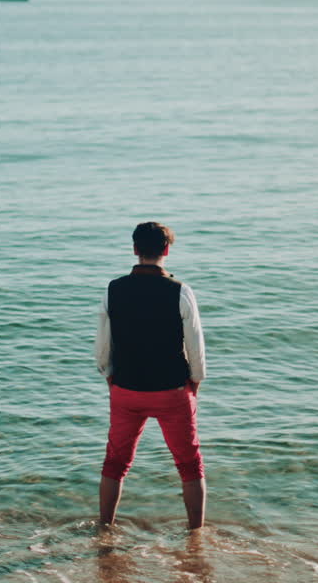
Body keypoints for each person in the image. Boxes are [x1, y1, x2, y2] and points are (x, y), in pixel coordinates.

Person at [94, 221, 207, 529]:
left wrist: (109, 375)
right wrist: (196, 380)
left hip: (126, 389)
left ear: (135, 250)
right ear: (167, 250)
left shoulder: (113, 289)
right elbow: (195, 345)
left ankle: (105, 528)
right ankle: (195, 535)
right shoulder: (180, 291)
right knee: (189, 465)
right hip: (172, 390)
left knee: (115, 464)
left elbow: (102, 346)